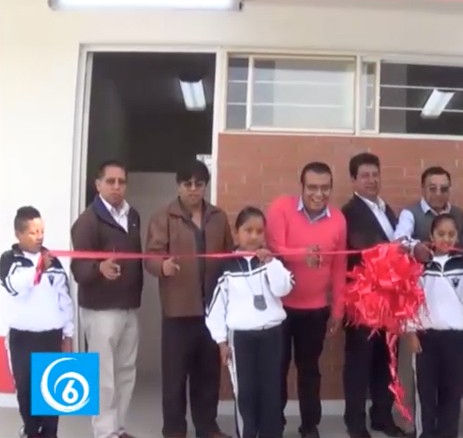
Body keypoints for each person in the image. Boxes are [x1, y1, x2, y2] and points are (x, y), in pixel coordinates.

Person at [144, 159, 234, 438]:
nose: (193, 189)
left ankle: (207, 427)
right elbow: (150, 257)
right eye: (187, 184)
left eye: (199, 184)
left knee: (208, 376)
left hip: (212, 311)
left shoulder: (218, 217)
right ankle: (173, 430)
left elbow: (229, 255)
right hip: (177, 311)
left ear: (205, 186)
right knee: (174, 379)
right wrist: (163, 267)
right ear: (178, 186)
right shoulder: (164, 216)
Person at [265, 162, 348, 438]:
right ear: (301, 187)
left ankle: (310, 425)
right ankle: (274, 422)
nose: (318, 193)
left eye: (325, 188)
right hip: (278, 307)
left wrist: (338, 309)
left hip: (315, 310)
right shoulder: (280, 208)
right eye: (312, 187)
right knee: (276, 367)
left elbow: (340, 267)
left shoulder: (338, 219)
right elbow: (274, 248)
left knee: (310, 370)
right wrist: (302, 254)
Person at [206, 207, 295, 438]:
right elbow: (215, 307)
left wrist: (271, 263)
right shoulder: (225, 266)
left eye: (259, 231)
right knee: (245, 393)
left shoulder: (273, 261)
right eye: (248, 231)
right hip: (241, 338)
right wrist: (221, 341)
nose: (254, 236)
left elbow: (283, 288)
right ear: (237, 233)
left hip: (272, 335)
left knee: (271, 392)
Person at [70, 160, 143, 438]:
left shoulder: (133, 215)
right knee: (104, 378)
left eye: (121, 181)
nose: (116, 187)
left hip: (128, 306)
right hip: (101, 310)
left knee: (125, 371)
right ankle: (104, 433)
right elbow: (78, 267)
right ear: (97, 184)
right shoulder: (87, 220)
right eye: (110, 181)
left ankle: (118, 429)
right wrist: (98, 268)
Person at [406, 214, 463, 438]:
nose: (446, 238)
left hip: (457, 339)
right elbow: (410, 300)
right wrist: (412, 332)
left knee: (452, 394)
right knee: (425, 393)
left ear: (458, 237)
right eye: (441, 234)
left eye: (451, 234)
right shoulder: (420, 265)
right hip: (427, 338)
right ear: (431, 236)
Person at [341, 152, 406, 438]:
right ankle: (355, 424)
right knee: (359, 364)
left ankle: (381, 416)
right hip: (363, 302)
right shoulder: (349, 212)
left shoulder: (387, 209)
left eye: (375, 174)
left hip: (390, 301)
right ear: (354, 179)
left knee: (385, 360)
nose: (371, 180)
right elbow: (366, 247)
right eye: (365, 175)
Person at [1, 206, 74, 438]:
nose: (40, 236)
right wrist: (37, 270)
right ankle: (31, 432)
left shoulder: (54, 261)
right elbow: (15, 287)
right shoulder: (8, 260)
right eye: (33, 232)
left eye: (42, 231)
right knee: (26, 389)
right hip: (22, 337)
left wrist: (68, 333)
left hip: (51, 336)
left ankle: (51, 433)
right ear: (18, 234)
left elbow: (65, 299)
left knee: (52, 391)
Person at [394, 166, 463, 249]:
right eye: (432, 189)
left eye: (444, 189)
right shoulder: (410, 213)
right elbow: (398, 240)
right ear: (423, 189)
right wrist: (416, 247)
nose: (438, 194)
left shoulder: (458, 214)